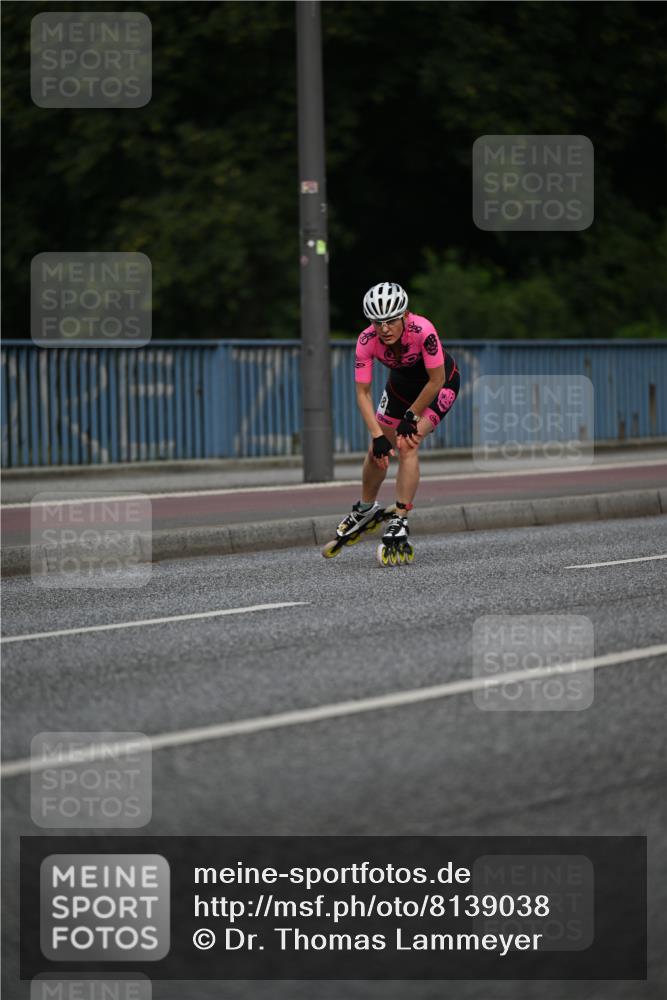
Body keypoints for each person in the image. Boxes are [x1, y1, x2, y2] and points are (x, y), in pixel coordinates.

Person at [335, 281, 460, 550]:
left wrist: (411, 416)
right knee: (377, 451)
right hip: (400, 388)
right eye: (377, 322)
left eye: (391, 321)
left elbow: (436, 380)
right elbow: (362, 393)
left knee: (407, 444)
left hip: (439, 385)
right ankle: (365, 509)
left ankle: (400, 518)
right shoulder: (366, 340)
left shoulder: (423, 331)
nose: (384, 329)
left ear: (404, 315)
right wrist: (377, 436)